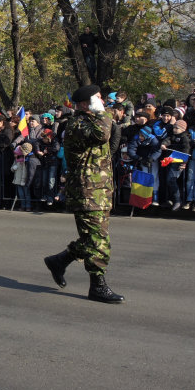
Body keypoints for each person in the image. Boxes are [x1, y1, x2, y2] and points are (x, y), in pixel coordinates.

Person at [43, 84, 125, 304]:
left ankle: (60, 260)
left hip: (101, 190)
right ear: (84, 103)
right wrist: (104, 113)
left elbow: (110, 143)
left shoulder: (94, 120)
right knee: (98, 240)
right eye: (97, 98)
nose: (102, 102)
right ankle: (97, 286)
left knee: (92, 238)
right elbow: (101, 135)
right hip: (87, 191)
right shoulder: (76, 123)